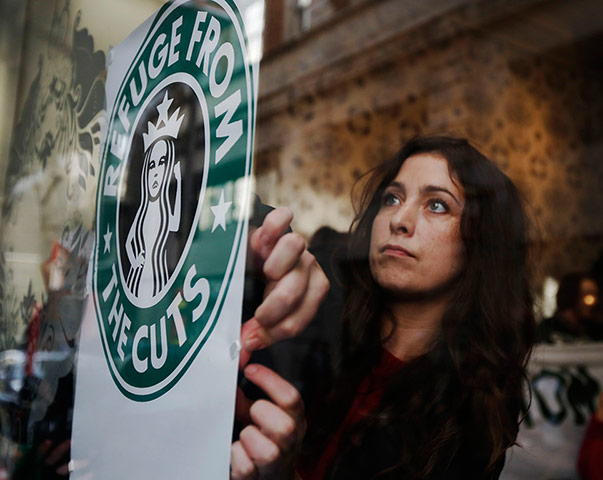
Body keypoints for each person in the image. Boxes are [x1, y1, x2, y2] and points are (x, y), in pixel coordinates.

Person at [230, 136, 536, 479]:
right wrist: (260, 240)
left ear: (482, 244)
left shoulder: (472, 413)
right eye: (392, 198)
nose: (399, 220)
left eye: (437, 205)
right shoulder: (321, 310)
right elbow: (215, 197)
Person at [537, 273, 601, 343]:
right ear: (571, 296)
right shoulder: (546, 329)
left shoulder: (597, 331)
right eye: (587, 295)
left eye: (596, 294)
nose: (594, 301)